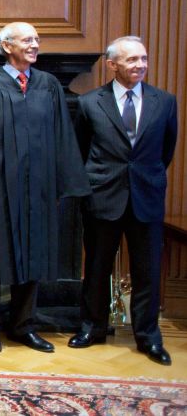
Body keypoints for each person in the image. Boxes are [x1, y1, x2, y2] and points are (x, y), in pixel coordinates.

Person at [0, 21, 90, 353]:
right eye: (27, 40)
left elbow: (62, 138)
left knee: (33, 254)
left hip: (40, 189)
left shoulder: (49, 86)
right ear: (6, 46)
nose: (34, 45)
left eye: (37, 39)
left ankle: (23, 324)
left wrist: (62, 184)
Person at [70, 36, 178, 366]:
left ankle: (148, 337)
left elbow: (166, 150)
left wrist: (147, 178)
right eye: (131, 60)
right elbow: (81, 149)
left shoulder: (165, 102)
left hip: (146, 197)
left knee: (147, 271)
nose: (140, 65)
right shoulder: (90, 103)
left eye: (143, 59)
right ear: (112, 64)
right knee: (98, 268)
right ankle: (92, 327)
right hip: (103, 196)